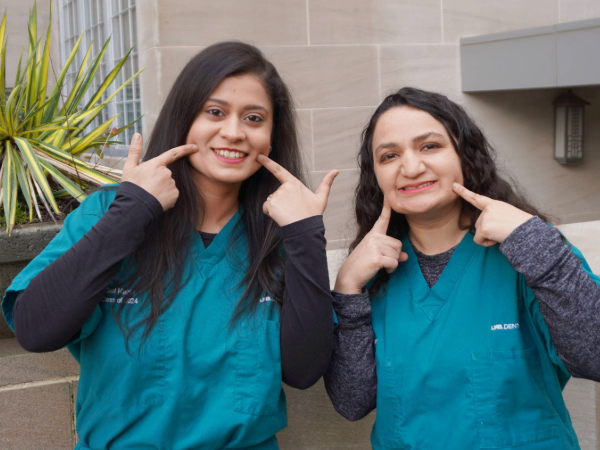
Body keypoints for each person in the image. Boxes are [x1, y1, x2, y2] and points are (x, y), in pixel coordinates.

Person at [2, 42, 338, 450]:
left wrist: (306, 236)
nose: (233, 132)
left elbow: (303, 371)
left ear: (271, 135)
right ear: (184, 117)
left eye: (254, 118)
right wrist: (130, 213)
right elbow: (36, 330)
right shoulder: (112, 212)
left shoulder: (281, 234)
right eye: (214, 112)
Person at [324, 87, 600, 450]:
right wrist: (346, 289)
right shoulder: (371, 275)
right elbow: (352, 403)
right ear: (375, 175)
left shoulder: (532, 251)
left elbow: (593, 356)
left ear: (465, 156)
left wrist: (534, 243)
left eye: (429, 146)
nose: (410, 167)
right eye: (389, 155)